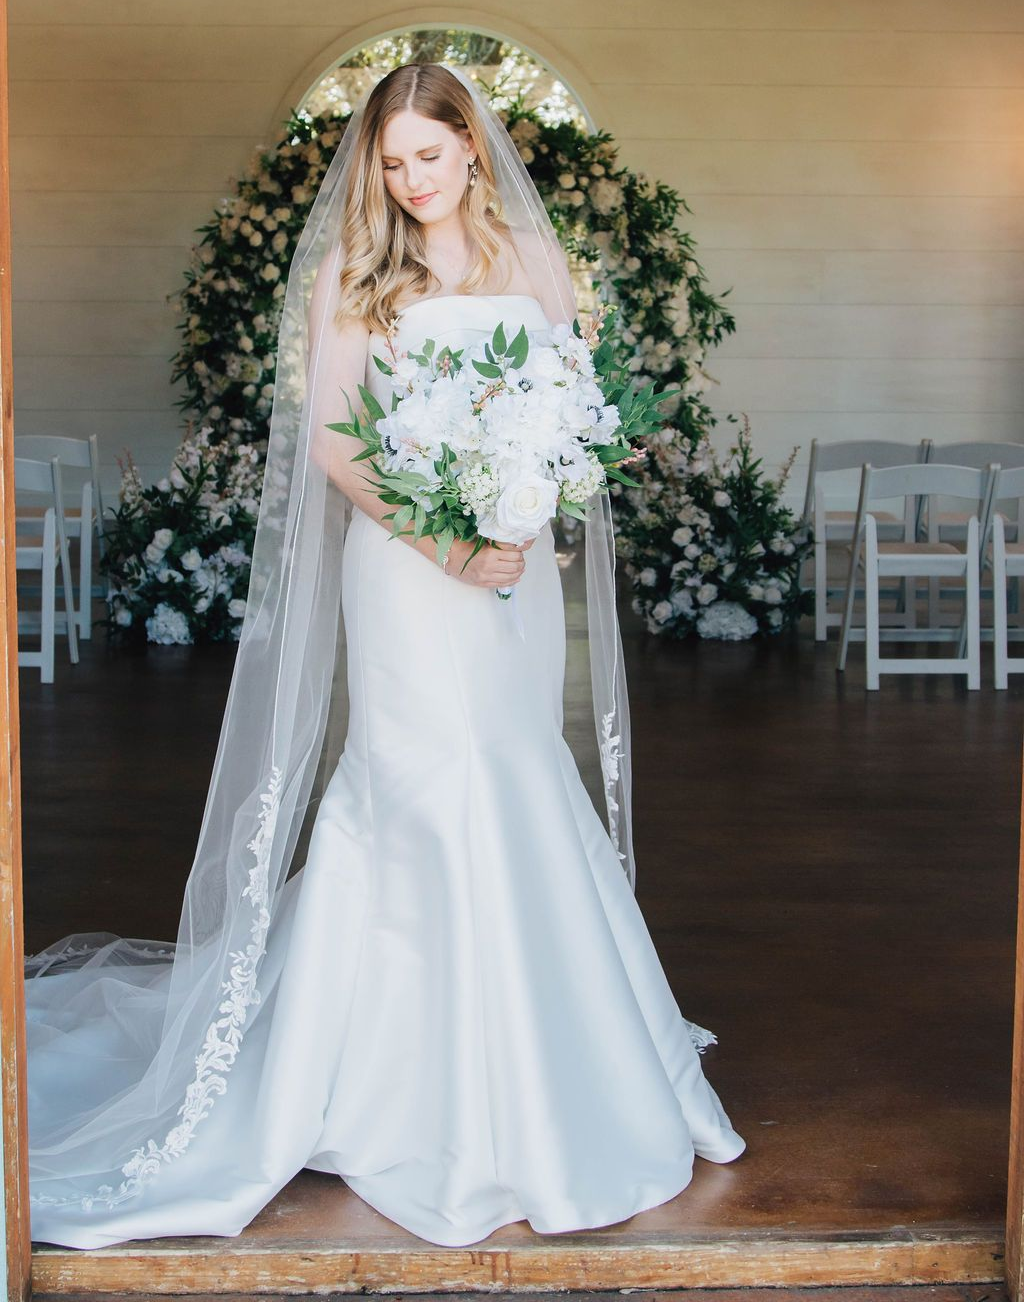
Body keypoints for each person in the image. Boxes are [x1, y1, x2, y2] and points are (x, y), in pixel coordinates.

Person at [23, 61, 745, 1251]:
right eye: (391, 162)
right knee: (417, 783)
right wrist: (447, 544)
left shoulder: (533, 265)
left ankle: (544, 1063)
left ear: (472, 147)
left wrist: (523, 513)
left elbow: (571, 416)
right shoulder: (358, 278)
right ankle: (391, 1089)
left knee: (512, 771)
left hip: (512, 572)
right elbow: (333, 448)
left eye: (429, 154)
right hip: (408, 571)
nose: (411, 181)